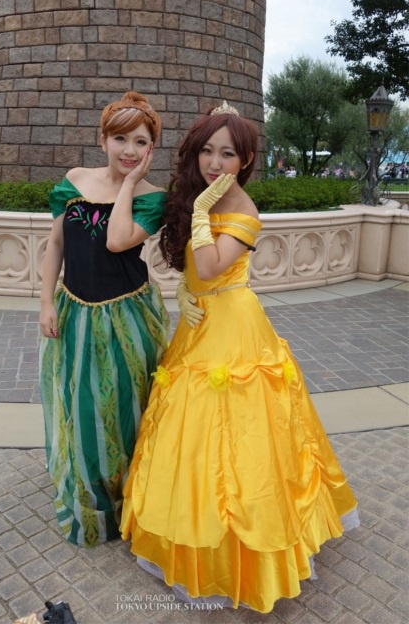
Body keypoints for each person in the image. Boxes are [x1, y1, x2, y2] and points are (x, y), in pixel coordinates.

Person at [121, 102, 359, 612]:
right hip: (198, 324)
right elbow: (194, 271)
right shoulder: (200, 197)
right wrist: (184, 290)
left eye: (227, 153)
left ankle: (249, 550)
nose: (215, 162)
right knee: (190, 433)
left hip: (234, 327)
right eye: (207, 150)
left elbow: (211, 266)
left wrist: (201, 216)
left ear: (246, 159)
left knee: (242, 435)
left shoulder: (245, 212)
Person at [39, 91, 170, 548]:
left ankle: (131, 503)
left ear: (151, 149)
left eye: (140, 141)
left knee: (127, 411)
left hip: (127, 318)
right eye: (120, 139)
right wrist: (45, 302)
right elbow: (56, 244)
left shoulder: (153, 198)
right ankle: (93, 502)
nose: (129, 150)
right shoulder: (74, 181)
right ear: (102, 140)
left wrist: (129, 184)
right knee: (83, 408)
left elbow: (117, 242)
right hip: (75, 313)